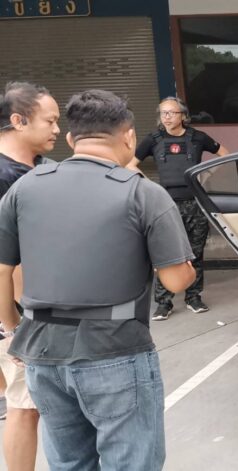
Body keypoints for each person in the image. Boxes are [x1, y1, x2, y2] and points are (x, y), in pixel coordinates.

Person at [0, 89, 195, 470]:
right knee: (131, 463)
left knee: (70, 463)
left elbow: (2, 270)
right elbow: (176, 281)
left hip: (42, 352)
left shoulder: (26, 187)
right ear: (129, 136)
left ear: (72, 138)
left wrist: (13, 330)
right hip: (115, 350)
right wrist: (183, 266)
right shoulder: (143, 192)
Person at [0, 81, 59, 471]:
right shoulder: (7, 176)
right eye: (49, 121)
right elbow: (8, 261)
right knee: (25, 406)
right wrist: (18, 324)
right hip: (17, 310)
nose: (57, 129)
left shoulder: (35, 168)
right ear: (19, 121)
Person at [129, 96, 229, 321]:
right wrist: (151, 187)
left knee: (195, 253)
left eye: (171, 113)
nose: (166, 117)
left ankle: (194, 297)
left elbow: (224, 154)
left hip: (195, 203)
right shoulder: (153, 139)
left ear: (183, 115)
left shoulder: (197, 137)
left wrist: (206, 175)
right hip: (166, 205)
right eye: (163, 113)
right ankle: (164, 303)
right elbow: (129, 164)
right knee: (165, 254)